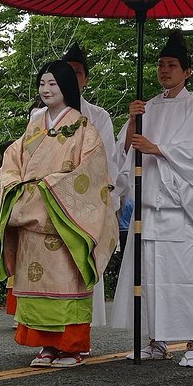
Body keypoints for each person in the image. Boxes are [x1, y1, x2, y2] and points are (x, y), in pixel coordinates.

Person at [0, 60, 117, 367]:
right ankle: (46, 346)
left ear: (66, 88)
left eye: (53, 84)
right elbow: (12, 158)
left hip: (63, 217)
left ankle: (71, 347)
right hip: (31, 213)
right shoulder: (35, 124)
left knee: (66, 280)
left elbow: (92, 172)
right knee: (36, 281)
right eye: (42, 84)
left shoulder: (83, 127)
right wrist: (18, 187)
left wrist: (49, 190)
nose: (46, 90)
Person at [108, 31, 193, 368]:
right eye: (160, 64)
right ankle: (155, 341)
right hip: (148, 210)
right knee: (150, 277)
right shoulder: (147, 107)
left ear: (187, 72)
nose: (164, 70)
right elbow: (125, 153)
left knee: (184, 277)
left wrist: (159, 148)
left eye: (171, 65)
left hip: (180, 209)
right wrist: (131, 119)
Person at [62, 40, 124, 331]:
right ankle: (48, 334)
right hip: (52, 202)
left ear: (85, 78)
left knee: (83, 265)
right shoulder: (40, 116)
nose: (72, 78)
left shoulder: (99, 116)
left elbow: (109, 163)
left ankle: (78, 334)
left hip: (86, 204)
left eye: (77, 72)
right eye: (66, 72)